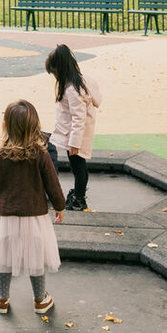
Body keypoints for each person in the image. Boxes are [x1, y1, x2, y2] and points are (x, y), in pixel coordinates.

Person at [0, 100, 65, 315]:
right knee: (36, 256)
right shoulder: (40, 154)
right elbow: (52, 183)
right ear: (34, 125)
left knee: (3, 257)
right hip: (34, 215)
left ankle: (2, 299)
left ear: (6, 125)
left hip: (4, 216)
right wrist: (60, 206)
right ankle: (40, 299)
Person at [45, 44, 102, 212]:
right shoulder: (81, 81)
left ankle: (78, 199)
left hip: (75, 136)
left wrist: (75, 143)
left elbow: (79, 118)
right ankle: (78, 195)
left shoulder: (72, 90)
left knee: (78, 168)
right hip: (73, 134)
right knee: (79, 166)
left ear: (60, 69)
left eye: (54, 73)